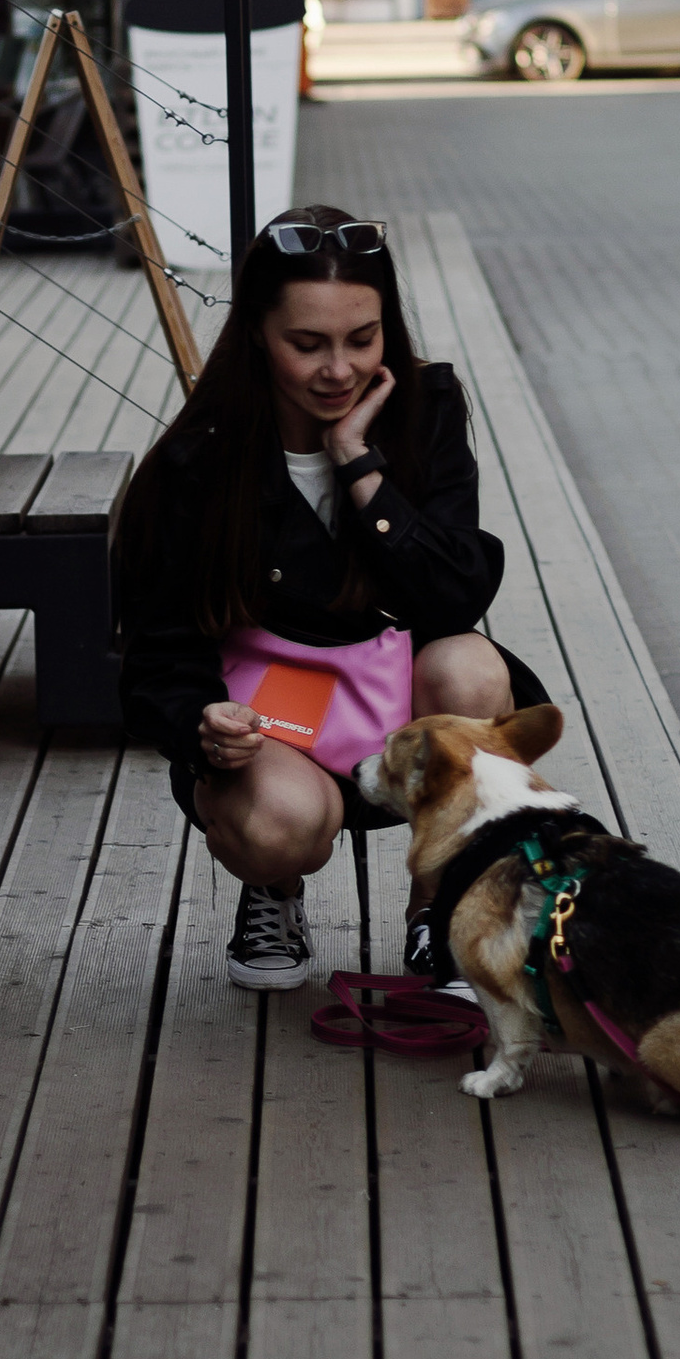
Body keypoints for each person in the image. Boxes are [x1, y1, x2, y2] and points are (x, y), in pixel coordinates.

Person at [116, 208, 550, 992]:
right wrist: (197, 721)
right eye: (306, 344)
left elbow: (455, 595)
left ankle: (440, 913)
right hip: (270, 711)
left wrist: (361, 468)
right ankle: (273, 890)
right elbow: (154, 644)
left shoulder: (424, 413)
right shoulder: (199, 461)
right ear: (256, 333)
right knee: (280, 826)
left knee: (473, 669)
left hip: (387, 688)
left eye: (362, 338)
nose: (339, 370)